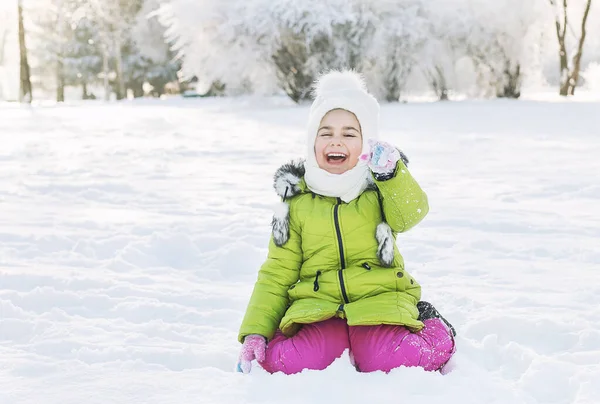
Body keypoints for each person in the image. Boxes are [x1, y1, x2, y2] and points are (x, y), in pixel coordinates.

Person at [237, 70, 456, 375]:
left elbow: (410, 214)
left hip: (379, 299)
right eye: (325, 133)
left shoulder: (379, 188)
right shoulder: (296, 201)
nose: (336, 141)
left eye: (349, 133)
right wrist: (256, 330)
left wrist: (392, 176)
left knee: (392, 361)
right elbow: (277, 272)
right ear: (311, 142)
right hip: (319, 307)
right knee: (293, 363)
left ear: (366, 143)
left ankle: (434, 325)